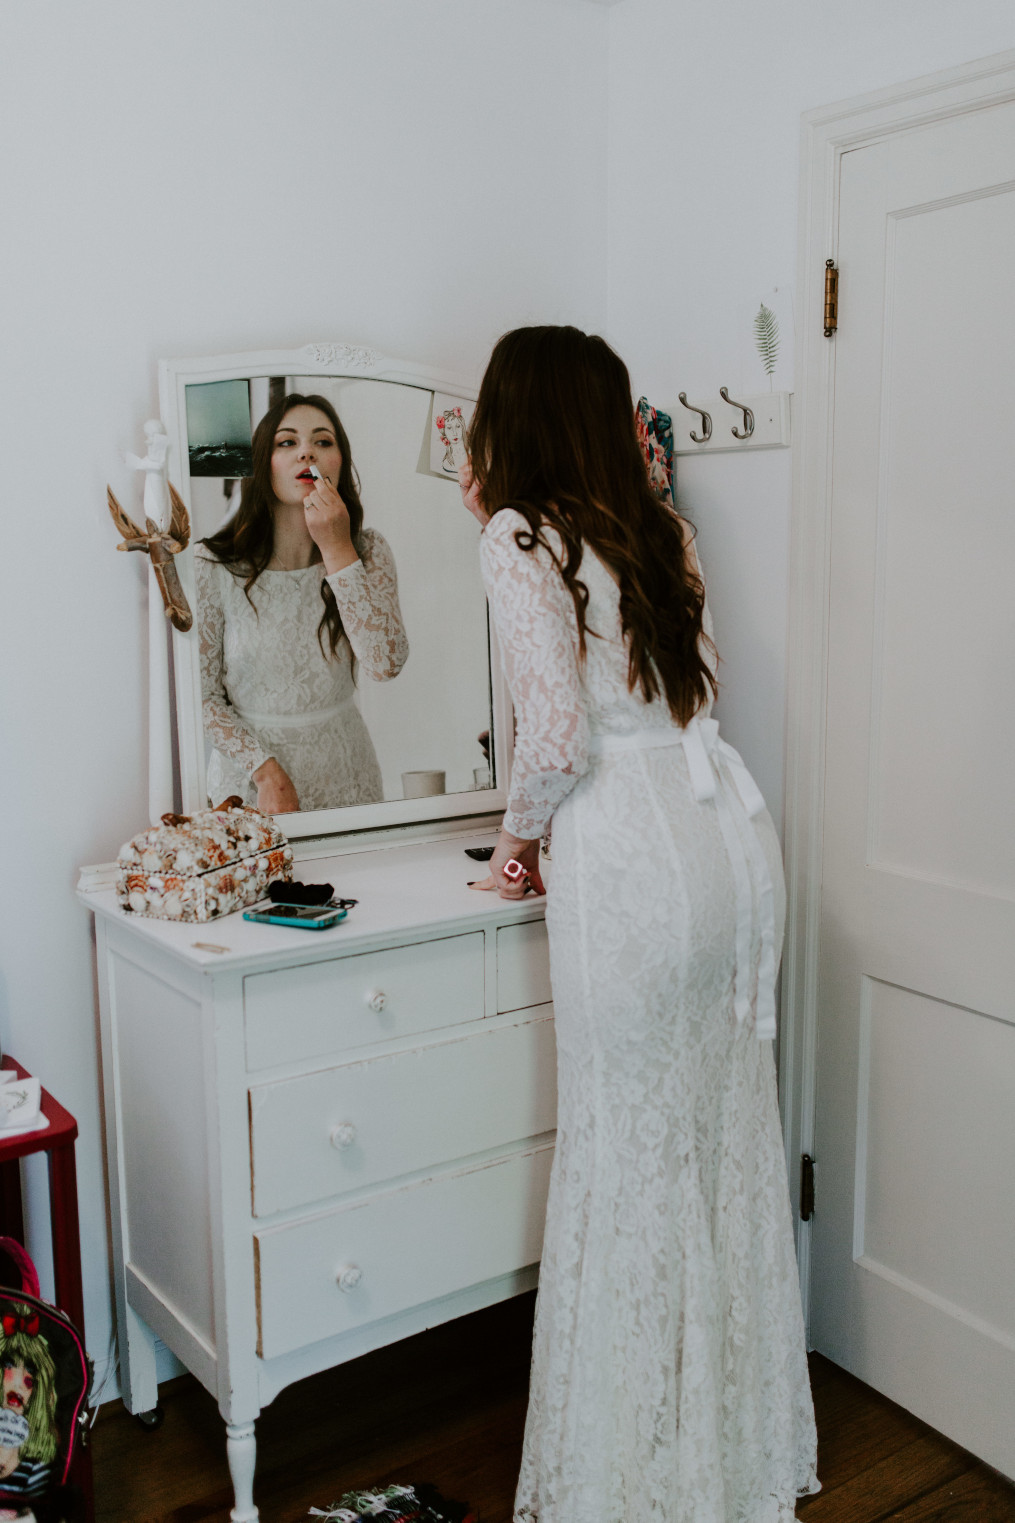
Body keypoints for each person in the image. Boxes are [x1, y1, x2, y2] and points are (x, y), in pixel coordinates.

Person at [461, 326, 818, 1522]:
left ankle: (636, 1473)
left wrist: (515, 842)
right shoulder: (656, 530)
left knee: (625, 1148)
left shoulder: (517, 536)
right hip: (728, 849)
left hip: (629, 858)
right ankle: (731, 1446)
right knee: (716, 1136)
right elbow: (697, 689)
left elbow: (555, 730)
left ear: (512, 416)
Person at [196, 393, 409, 813]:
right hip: (252, 783)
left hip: (347, 777)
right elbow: (201, 698)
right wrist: (265, 770)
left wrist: (337, 548)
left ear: (339, 464)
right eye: (287, 442)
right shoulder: (213, 565)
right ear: (263, 462)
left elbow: (386, 663)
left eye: (323, 442)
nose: (307, 450)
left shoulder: (368, 550)